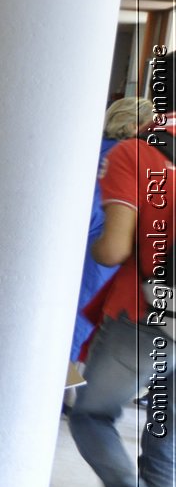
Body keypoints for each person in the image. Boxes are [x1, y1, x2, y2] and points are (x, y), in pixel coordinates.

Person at [66, 117, 174, 487]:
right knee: (166, 446)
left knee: (91, 417)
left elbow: (112, 250)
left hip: (143, 319)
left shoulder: (136, 152)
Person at [72, 97, 156, 363]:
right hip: (103, 244)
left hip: (78, 240)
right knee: (84, 315)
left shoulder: (87, 149)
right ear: (134, 126)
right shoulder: (131, 159)